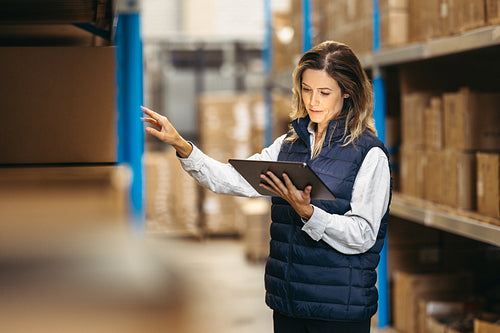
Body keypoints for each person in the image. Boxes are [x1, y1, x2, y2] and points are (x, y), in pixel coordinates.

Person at [142, 40, 391, 333]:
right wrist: (183, 146)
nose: (313, 102)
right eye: (307, 90)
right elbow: (232, 179)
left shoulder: (368, 154)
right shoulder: (289, 146)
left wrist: (310, 213)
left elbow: (363, 234)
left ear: (348, 93)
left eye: (324, 93)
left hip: (338, 310)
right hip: (287, 304)